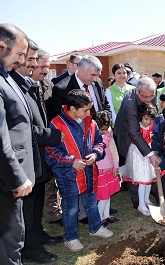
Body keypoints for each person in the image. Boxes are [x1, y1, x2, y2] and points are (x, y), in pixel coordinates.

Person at [10, 45, 63, 263]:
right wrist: (55, 135)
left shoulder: (36, 86)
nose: (42, 70)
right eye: (37, 65)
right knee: (28, 208)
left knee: (38, 202)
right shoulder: (15, 88)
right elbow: (21, 128)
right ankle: (31, 248)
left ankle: (37, 235)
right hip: (28, 157)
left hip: (39, 157)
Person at [45, 89, 113, 252]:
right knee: (71, 208)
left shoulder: (91, 121)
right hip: (69, 176)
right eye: (85, 110)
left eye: (89, 109)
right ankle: (71, 237)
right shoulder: (56, 124)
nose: (88, 113)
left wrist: (96, 154)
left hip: (89, 173)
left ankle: (95, 227)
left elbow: (99, 142)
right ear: (72, 108)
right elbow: (51, 152)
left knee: (91, 203)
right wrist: (71, 161)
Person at [0, 23, 35, 264]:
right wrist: (17, 177)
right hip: (7, 182)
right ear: (1, 47)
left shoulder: (6, 76)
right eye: (20, 54)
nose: (22, 61)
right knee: (11, 243)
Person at [114, 77, 160, 210]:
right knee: (134, 168)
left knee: (145, 166)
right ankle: (136, 199)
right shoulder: (130, 105)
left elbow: (154, 112)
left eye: (151, 96)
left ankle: (145, 194)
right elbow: (134, 132)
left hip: (143, 133)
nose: (148, 99)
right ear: (137, 92)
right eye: (145, 97)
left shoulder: (151, 94)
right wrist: (150, 153)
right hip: (127, 136)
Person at [30, 49, 63, 227]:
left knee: (51, 178)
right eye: (42, 66)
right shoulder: (25, 89)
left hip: (52, 140)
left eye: (47, 67)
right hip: (36, 142)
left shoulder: (50, 85)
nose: (44, 70)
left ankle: (54, 212)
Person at [49, 55, 109, 120]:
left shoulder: (98, 83)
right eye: (93, 75)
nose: (95, 79)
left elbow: (105, 105)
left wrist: (105, 122)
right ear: (81, 70)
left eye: (98, 75)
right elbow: (59, 119)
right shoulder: (61, 89)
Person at [124, 104, 158, 216]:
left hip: (150, 153)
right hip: (139, 155)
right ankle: (141, 204)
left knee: (149, 177)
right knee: (143, 180)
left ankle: (147, 199)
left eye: (151, 119)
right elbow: (138, 141)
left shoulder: (152, 126)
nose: (149, 122)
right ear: (141, 117)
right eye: (146, 119)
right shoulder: (137, 128)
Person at [92, 111, 120, 226]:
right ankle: (99, 219)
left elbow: (113, 150)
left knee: (107, 195)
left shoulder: (109, 135)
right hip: (100, 171)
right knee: (103, 197)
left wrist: (116, 166)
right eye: (102, 130)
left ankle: (106, 215)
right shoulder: (92, 138)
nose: (104, 132)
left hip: (110, 169)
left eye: (106, 129)